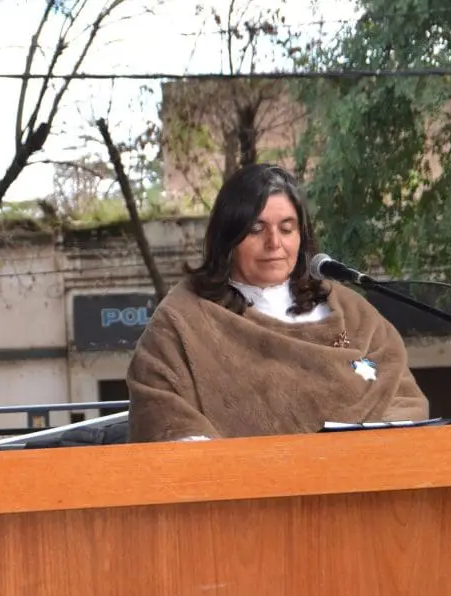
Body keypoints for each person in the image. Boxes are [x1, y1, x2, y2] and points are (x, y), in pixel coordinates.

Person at [126, 163, 428, 442]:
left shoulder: (350, 310)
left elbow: (402, 398)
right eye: (256, 229)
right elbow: (161, 411)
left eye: (287, 228)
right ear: (228, 236)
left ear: (302, 236)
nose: (274, 243)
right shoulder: (183, 318)